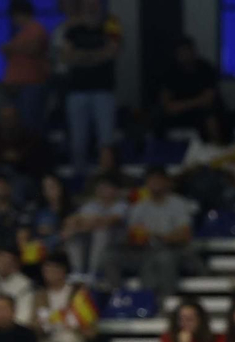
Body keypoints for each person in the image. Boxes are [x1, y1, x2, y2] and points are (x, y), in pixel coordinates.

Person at [59, 0, 120, 178]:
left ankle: (108, 179)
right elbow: (67, 57)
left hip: (103, 90)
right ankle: (80, 178)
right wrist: (96, 55)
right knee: (78, 141)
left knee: (106, 139)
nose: (92, 6)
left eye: (95, 3)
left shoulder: (111, 24)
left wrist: (83, 57)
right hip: (77, 91)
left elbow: (113, 52)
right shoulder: (72, 29)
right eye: (88, 3)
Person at [114, 167, 195, 301]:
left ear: (167, 182)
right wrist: (138, 238)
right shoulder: (139, 207)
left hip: (174, 250)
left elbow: (185, 234)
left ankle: (167, 300)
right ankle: (119, 297)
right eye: (151, 180)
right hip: (145, 250)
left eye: (158, 180)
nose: (155, 184)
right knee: (111, 255)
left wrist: (160, 236)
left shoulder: (178, 203)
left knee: (162, 257)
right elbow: (132, 235)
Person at [158, 35, 221, 135]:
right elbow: (167, 106)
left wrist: (182, 105)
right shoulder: (170, 72)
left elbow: (209, 100)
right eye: (181, 52)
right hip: (180, 116)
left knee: (212, 114)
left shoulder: (205, 68)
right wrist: (196, 102)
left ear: (193, 51)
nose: (184, 55)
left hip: (201, 113)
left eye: (187, 51)